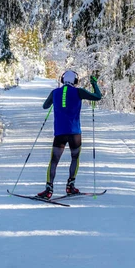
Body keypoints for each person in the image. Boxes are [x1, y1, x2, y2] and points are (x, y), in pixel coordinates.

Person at [37, 69, 102, 199]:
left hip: (60, 133)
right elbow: (97, 97)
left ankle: (48, 190)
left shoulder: (55, 92)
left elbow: (45, 106)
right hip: (75, 133)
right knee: (75, 158)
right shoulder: (79, 92)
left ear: (62, 80)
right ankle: (70, 187)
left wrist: (55, 99)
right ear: (76, 81)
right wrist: (94, 84)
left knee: (54, 161)